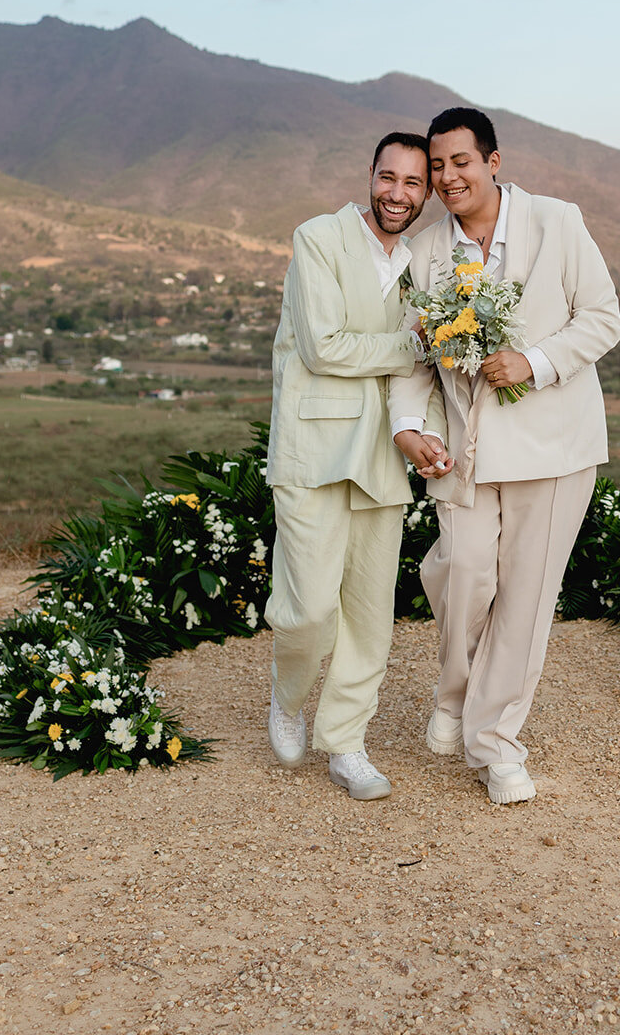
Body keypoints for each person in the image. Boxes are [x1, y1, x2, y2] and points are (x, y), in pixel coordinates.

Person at [390, 107, 620, 805]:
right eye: (436, 166)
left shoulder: (558, 221)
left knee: (524, 600)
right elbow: (413, 355)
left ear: (492, 162)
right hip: (463, 450)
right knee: (461, 573)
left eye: (459, 161)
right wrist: (408, 425)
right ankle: (456, 692)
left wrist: (536, 361)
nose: (446, 176)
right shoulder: (425, 251)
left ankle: (495, 746)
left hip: (555, 448)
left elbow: (603, 318)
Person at [265, 132, 452, 800]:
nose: (397, 193)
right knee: (309, 609)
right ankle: (287, 695)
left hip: (381, 452)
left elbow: (421, 372)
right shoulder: (318, 237)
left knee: (370, 614)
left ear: (425, 193)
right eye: (387, 177)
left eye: (411, 183)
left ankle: (345, 743)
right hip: (311, 450)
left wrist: (422, 426)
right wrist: (415, 344)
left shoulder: (422, 265)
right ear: (369, 176)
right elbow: (322, 348)